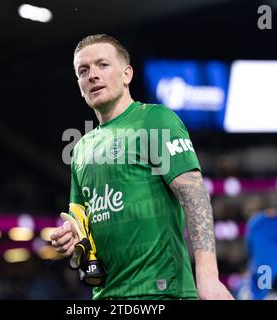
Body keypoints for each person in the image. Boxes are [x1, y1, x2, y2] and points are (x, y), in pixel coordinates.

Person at [50, 34, 233, 300]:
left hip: (162, 293)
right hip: (106, 296)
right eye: (83, 70)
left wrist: (207, 277)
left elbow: (194, 195)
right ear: (79, 85)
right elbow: (80, 222)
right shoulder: (80, 149)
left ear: (127, 74)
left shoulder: (155, 120)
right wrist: (69, 237)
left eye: (103, 65)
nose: (92, 75)